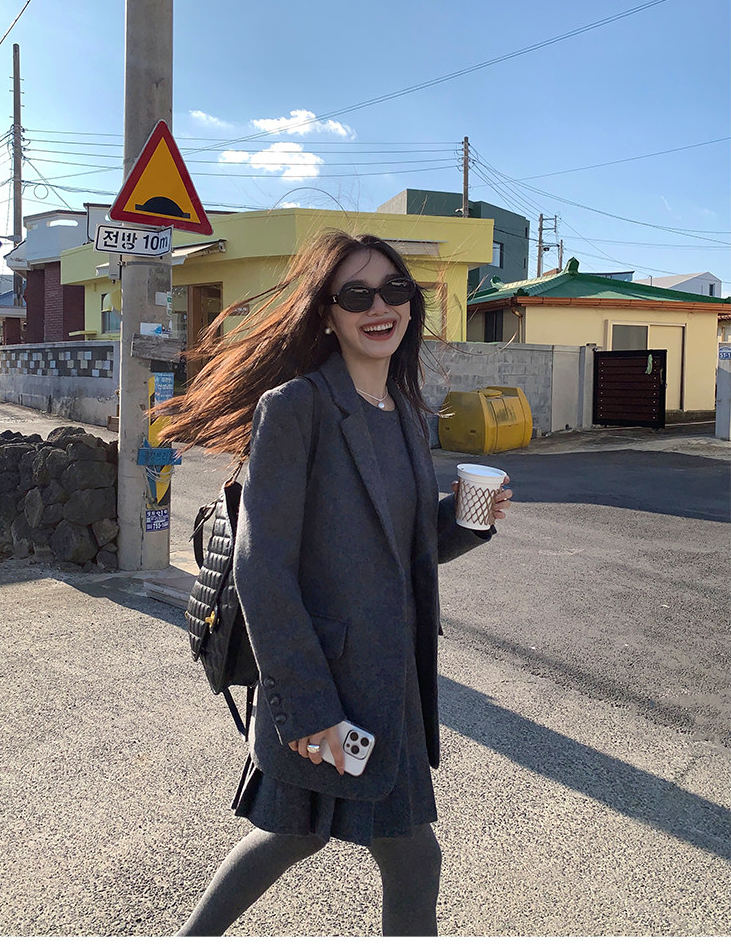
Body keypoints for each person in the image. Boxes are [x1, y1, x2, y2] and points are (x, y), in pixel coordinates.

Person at [161, 231, 513, 937]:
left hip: (389, 683)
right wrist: (309, 706)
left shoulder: (405, 411)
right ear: (327, 314)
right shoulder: (297, 407)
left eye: (394, 290)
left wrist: (466, 519)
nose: (379, 307)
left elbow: (403, 548)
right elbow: (263, 567)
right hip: (321, 684)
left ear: (412, 304)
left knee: (323, 840)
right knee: (374, 849)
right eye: (356, 295)